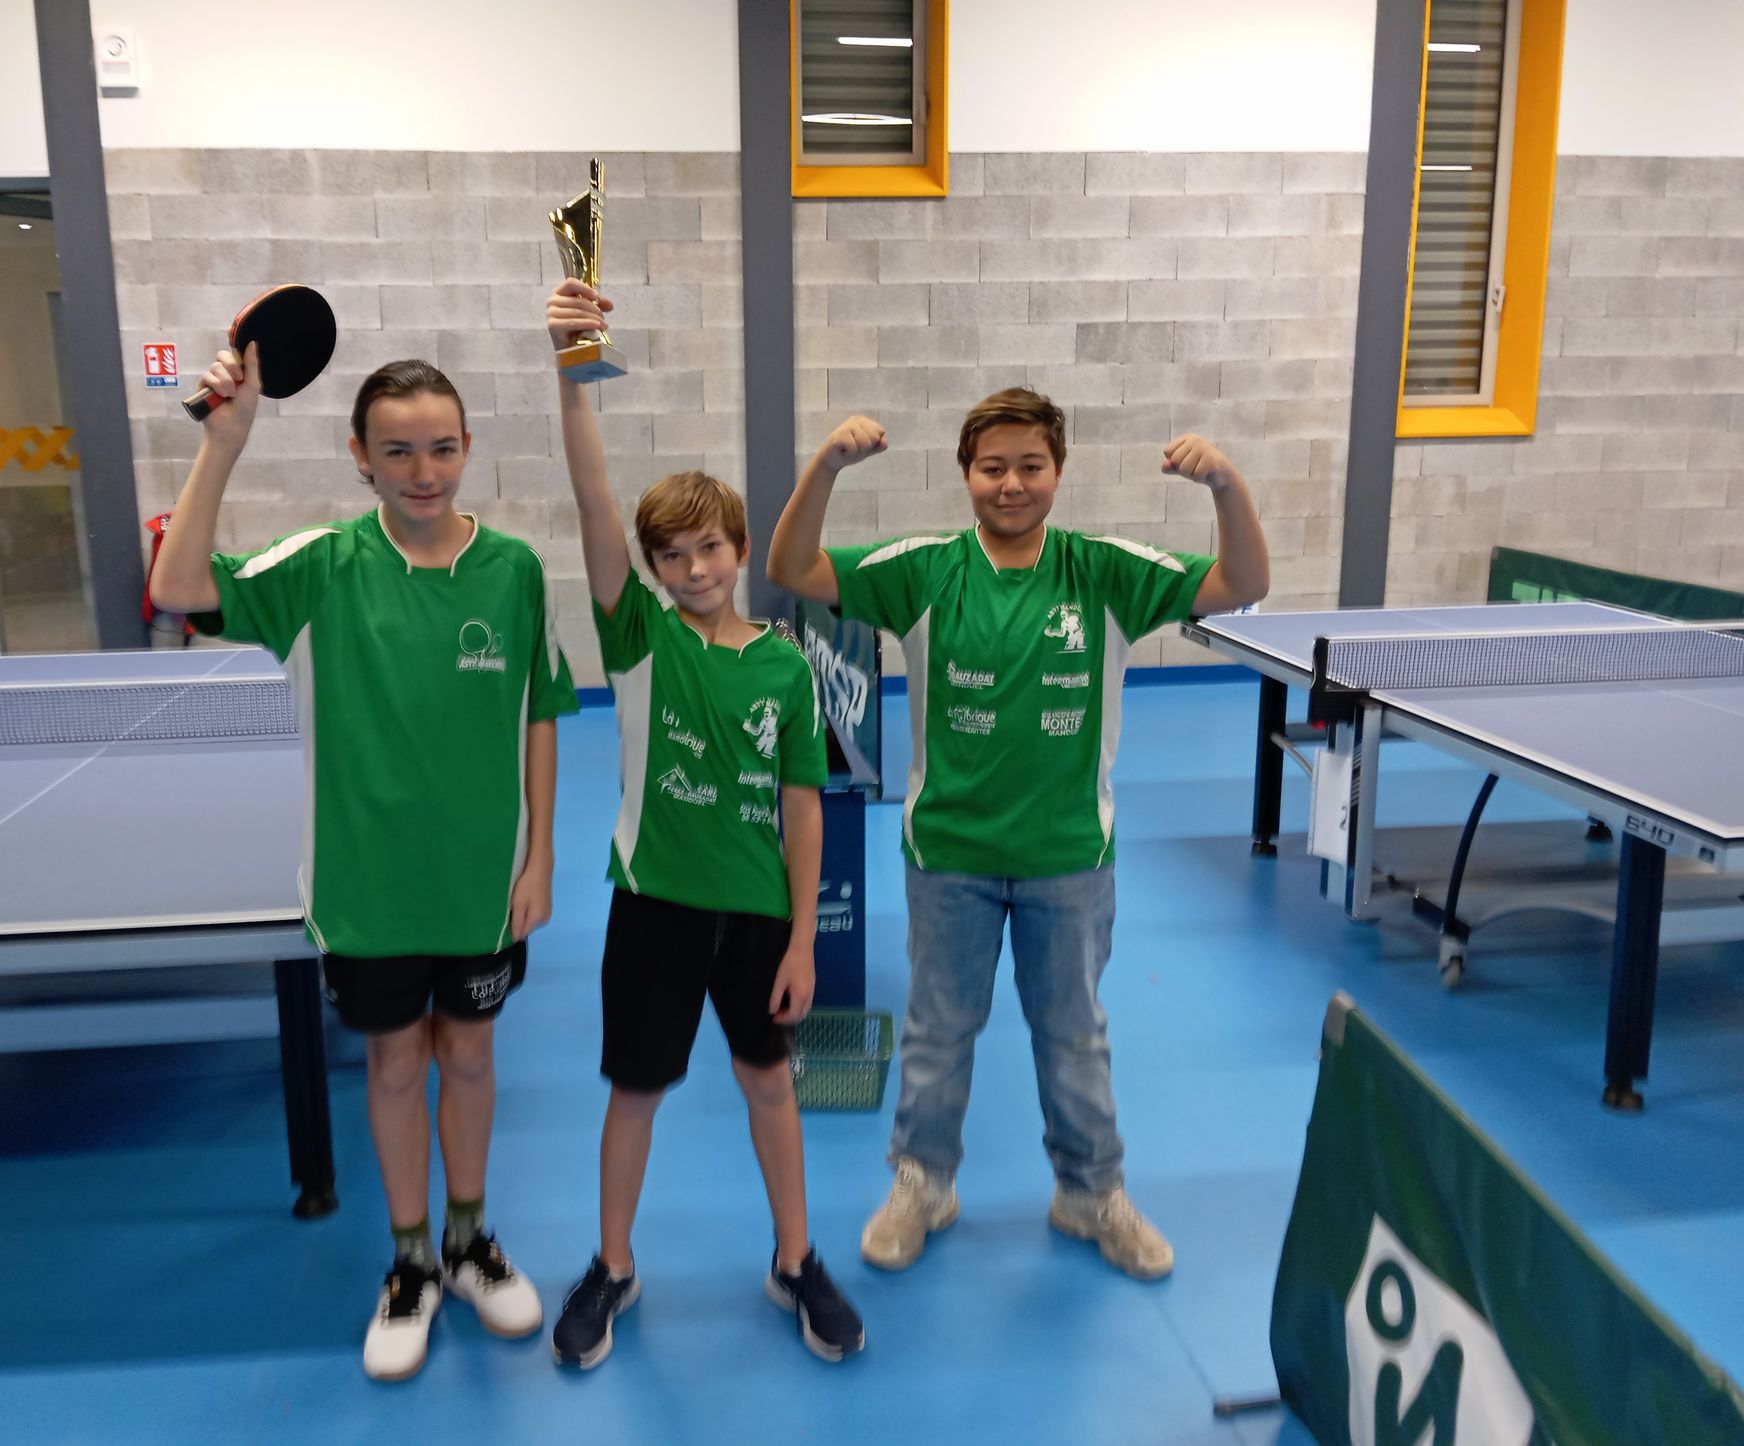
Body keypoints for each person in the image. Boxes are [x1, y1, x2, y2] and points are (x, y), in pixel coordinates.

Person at [767, 388, 1269, 1279]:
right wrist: (827, 467)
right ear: (966, 473)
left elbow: (1243, 585)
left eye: (1030, 466)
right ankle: (924, 1183)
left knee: (1073, 1035)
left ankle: (1090, 1193)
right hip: (948, 857)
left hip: (1068, 858)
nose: (1011, 483)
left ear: (1058, 472)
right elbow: (792, 566)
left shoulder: (1104, 570)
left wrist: (1225, 484)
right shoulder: (924, 570)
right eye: (992, 467)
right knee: (937, 1031)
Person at [149, 346, 578, 1382]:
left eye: (442, 448)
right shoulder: (321, 566)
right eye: (397, 452)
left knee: (469, 1056)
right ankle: (411, 1261)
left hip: (481, 883)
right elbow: (177, 588)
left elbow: (541, 713)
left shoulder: (515, 570)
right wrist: (224, 443)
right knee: (394, 1065)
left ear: (468, 448)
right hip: (366, 887)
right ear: (359, 456)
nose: (423, 471)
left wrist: (541, 855)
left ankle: (470, 1241)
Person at [542, 279, 864, 1368]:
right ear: (651, 568)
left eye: (711, 549)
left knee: (769, 1081)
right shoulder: (640, 642)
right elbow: (594, 503)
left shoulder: (785, 664)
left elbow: (803, 804)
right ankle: (613, 1266)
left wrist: (804, 938)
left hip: (757, 917)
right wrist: (572, 377)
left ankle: (795, 1260)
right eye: (672, 556)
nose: (694, 569)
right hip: (655, 910)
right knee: (636, 1091)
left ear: (738, 547)